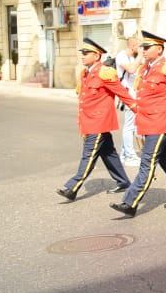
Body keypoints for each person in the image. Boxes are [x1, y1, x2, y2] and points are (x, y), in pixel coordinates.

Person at [110, 31, 166, 217]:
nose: (143, 50)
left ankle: (130, 202)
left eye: (147, 47)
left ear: (159, 49)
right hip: (147, 120)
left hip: (160, 121)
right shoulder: (144, 68)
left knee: (147, 161)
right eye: (142, 47)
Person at [58, 38, 136, 201]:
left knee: (88, 155)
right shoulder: (86, 73)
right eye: (83, 53)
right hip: (89, 121)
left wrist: (140, 111)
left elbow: (122, 93)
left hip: (98, 123)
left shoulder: (105, 72)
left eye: (86, 53)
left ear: (97, 55)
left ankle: (72, 187)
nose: (83, 56)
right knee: (108, 153)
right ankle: (123, 182)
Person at [114, 36, 142, 165]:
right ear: (132, 46)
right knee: (129, 126)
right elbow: (131, 69)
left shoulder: (133, 57)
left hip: (134, 94)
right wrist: (140, 55)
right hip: (127, 94)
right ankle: (129, 155)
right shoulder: (122, 56)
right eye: (139, 46)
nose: (141, 49)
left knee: (133, 125)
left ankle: (125, 155)